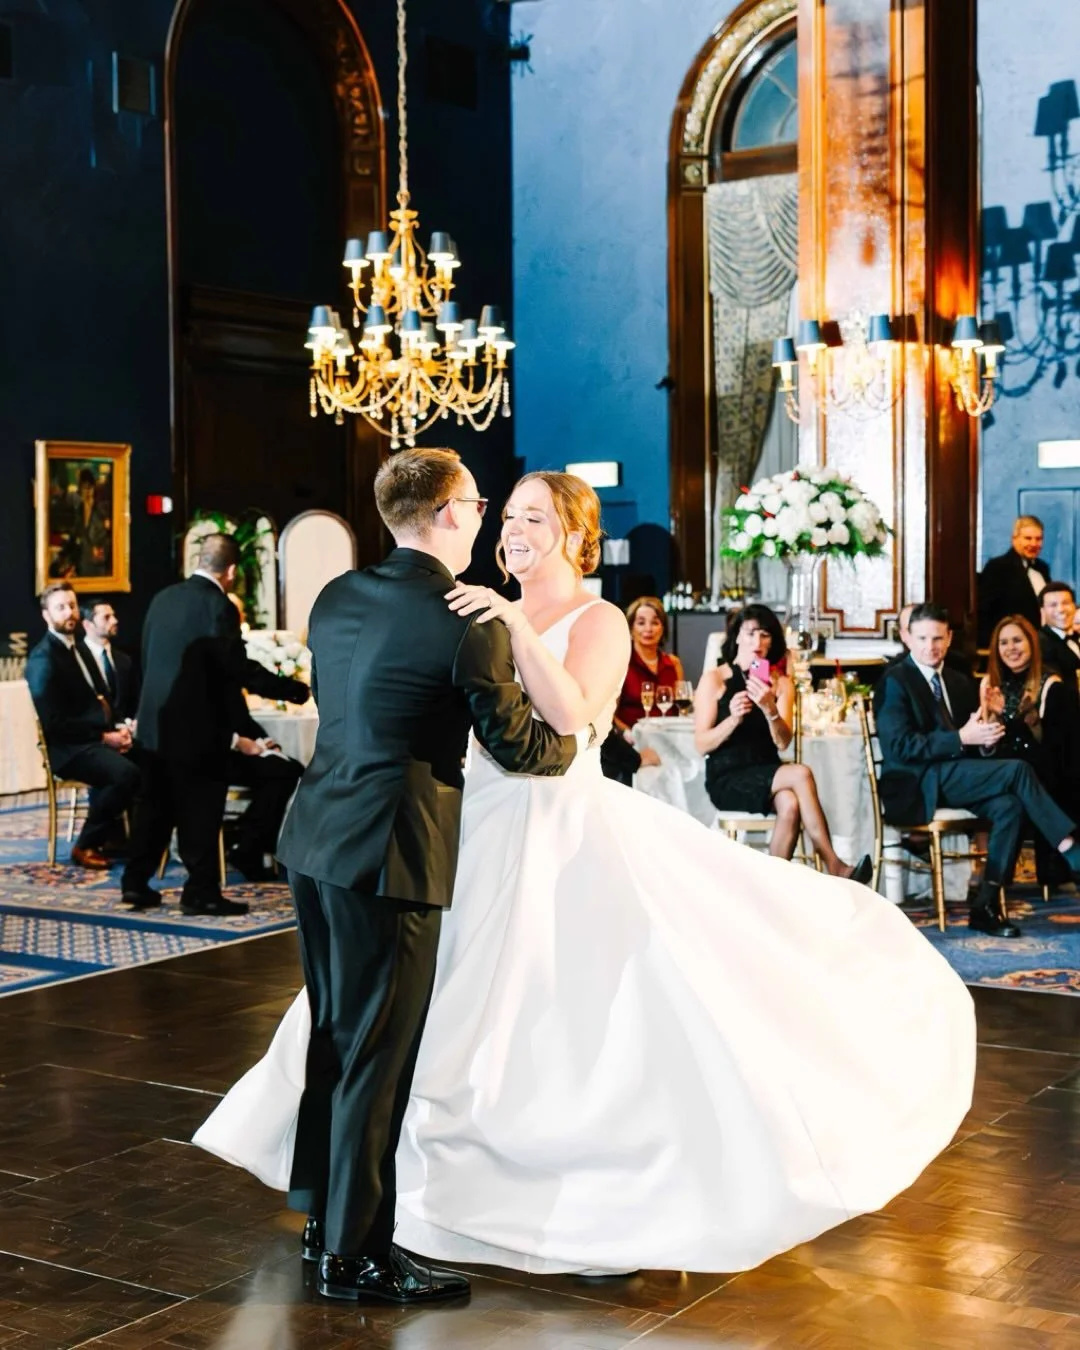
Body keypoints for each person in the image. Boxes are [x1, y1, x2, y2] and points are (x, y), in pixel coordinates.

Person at [197, 471, 978, 1284]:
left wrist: (517, 631)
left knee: (552, 1014)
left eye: (534, 517)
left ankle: (570, 1203)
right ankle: (365, 1211)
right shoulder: (466, 606)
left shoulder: (595, 618)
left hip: (553, 828)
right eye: (506, 516)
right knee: (397, 1022)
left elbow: (574, 719)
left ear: (576, 532)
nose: (513, 530)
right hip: (455, 825)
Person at [204, 451, 582, 1306]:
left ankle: (323, 1225)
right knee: (380, 1056)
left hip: (316, 837)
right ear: (450, 514)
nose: (487, 517)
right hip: (393, 852)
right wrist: (579, 741)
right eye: (481, 503)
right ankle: (357, 1258)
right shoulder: (467, 620)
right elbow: (524, 747)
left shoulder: (337, 596)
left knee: (336, 1040)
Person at [120, 535, 309, 915]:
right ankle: (201, 892)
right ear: (232, 571)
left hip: (155, 725)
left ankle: (135, 883)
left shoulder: (163, 598)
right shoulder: (217, 606)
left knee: (156, 807)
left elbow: (148, 660)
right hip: (197, 729)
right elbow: (235, 668)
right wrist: (293, 690)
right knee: (201, 811)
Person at [874, 602, 1080, 939]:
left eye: (938, 638)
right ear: (907, 637)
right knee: (1017, 771)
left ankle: (985, 905)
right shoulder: (895, 681)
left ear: (949, 637)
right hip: (915, 783)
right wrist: (960, 738)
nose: (931, 646)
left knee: (1009, 806)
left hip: (955, 777)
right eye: (923, 638)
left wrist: (988, 730)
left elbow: (977, 743)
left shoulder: (958, 680)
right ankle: (1070, 849)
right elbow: (900, 748)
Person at [692, 604, 871, 880]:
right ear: (737, 636)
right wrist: (733, 719)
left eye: (765, 635)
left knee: (790, 804)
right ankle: (833, 864)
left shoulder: (781, 683)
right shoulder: (715, 679)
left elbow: (783, 743)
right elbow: (701, 744)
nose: (758, 642)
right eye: (751, 633)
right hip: (728, 775)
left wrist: (769, 709)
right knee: (801, 773)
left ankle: (774, 889)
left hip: (769, 770)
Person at [25, 582, 140, 868]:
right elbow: (55, 723)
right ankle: (86, 843)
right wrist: (104, 737)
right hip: (69, 748)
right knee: (125, 774)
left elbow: (103, 697)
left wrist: (119, 727)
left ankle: (128, 837)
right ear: (46, 615)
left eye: (72, 606)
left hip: (95, 739)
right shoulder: (43, 659)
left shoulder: (80, 648)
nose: (69, 613)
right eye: (61, 608)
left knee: (154, 757)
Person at [982, 615, 1080, 890]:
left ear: (1031, 644)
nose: (1010, 648)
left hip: (1050, 775)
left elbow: (1052, 753)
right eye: (1003, 642)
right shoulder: (994, 685)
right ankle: (996, 880)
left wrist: (1010, 717)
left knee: (1016, 782)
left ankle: (998, 880)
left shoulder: (1052, 686)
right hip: (1005, 771)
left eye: (1017, 640)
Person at [977, 515, 1050, 646]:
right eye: (1028, 538)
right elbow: (985, 611)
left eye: (1038, 539)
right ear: (1014, 539)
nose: (1034, 544)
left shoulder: (1042, 568)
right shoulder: (997, 567)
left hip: (1040, 643)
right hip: (1010, 644)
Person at [614, 596, 684, 729]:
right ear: (630, 628)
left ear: (663, 628)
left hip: (669, 738)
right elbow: (610, 716)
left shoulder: (674, 664)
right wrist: (630, 735)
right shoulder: (621, 663)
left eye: (655, 623)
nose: (648, 629)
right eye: (641, 623)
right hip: (632, 741)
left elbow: (679, 709)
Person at [80, 598, 137, 723]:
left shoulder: (124, 660)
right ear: (87, 625)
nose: (114, 621)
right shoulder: (76, 658)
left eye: (113, 615)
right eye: (106, 617)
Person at [1039, 582, 1080, 688]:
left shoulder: (1075, 637)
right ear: (1042, 611)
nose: (1061, 610)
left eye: (1066, 603)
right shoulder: (1040, 643)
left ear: (1074, 606)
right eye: (1053, 605)